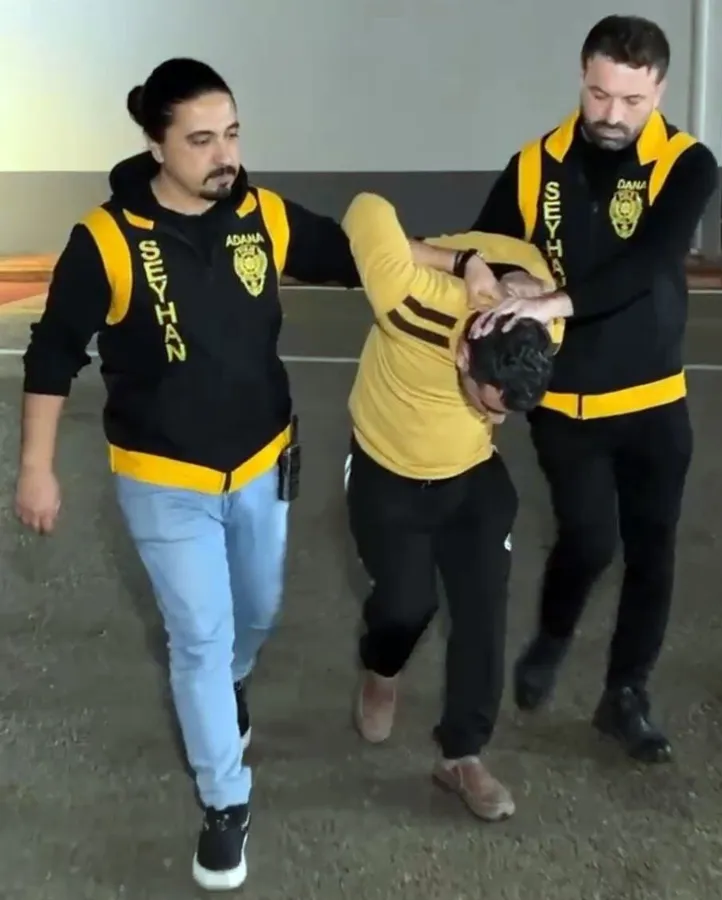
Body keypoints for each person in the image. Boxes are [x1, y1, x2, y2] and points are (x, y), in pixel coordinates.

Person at [14, 59, 499, 893]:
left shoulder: (259, 214)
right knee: (198, 638)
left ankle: (231, 686)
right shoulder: (106, 241)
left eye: (232, 134)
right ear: (156, 145)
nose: (224, 155)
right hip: (162, 478)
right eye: (201, 140)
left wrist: (460, 263)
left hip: (262, 464)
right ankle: (224, 802)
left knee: (257, 614)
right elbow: (53, 353)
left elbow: (358, 252)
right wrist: (35, 468)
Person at [468, 15, 719, 764]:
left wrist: (554, 301)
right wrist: (503, 274)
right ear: (582, 76)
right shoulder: (533, 164)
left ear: (659, 91)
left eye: (631, 101)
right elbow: (483, 245)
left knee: (652, 550)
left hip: (654, 400)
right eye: (599, 94)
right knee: (587, 539)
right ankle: (552, 637)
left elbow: (649, 262)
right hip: (566, 405)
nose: (612, 115)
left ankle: (625, 693)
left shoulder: (686, 163)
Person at [340, 192, 563, 821]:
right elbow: (365, 210)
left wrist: (525, 284)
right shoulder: (408, 300)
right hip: (387, 471)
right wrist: (461, 260)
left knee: (483, 607)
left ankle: (462, 754)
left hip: (469, 477)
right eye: (488, 402)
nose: (498, 417)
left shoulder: (540, 325)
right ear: (464, 354)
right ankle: (382, 669)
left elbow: (542, 284)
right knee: (405, 606)